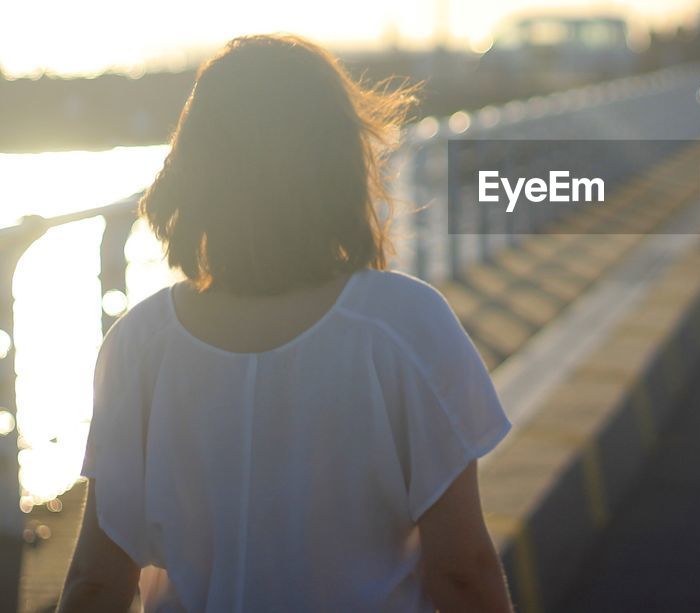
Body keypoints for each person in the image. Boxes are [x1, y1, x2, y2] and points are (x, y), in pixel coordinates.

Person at [58, 36, 514, 612]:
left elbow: (98, 580)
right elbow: (462, 572)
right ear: (343, 164)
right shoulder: (403, 325)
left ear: (195, 170)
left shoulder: (140, 343)